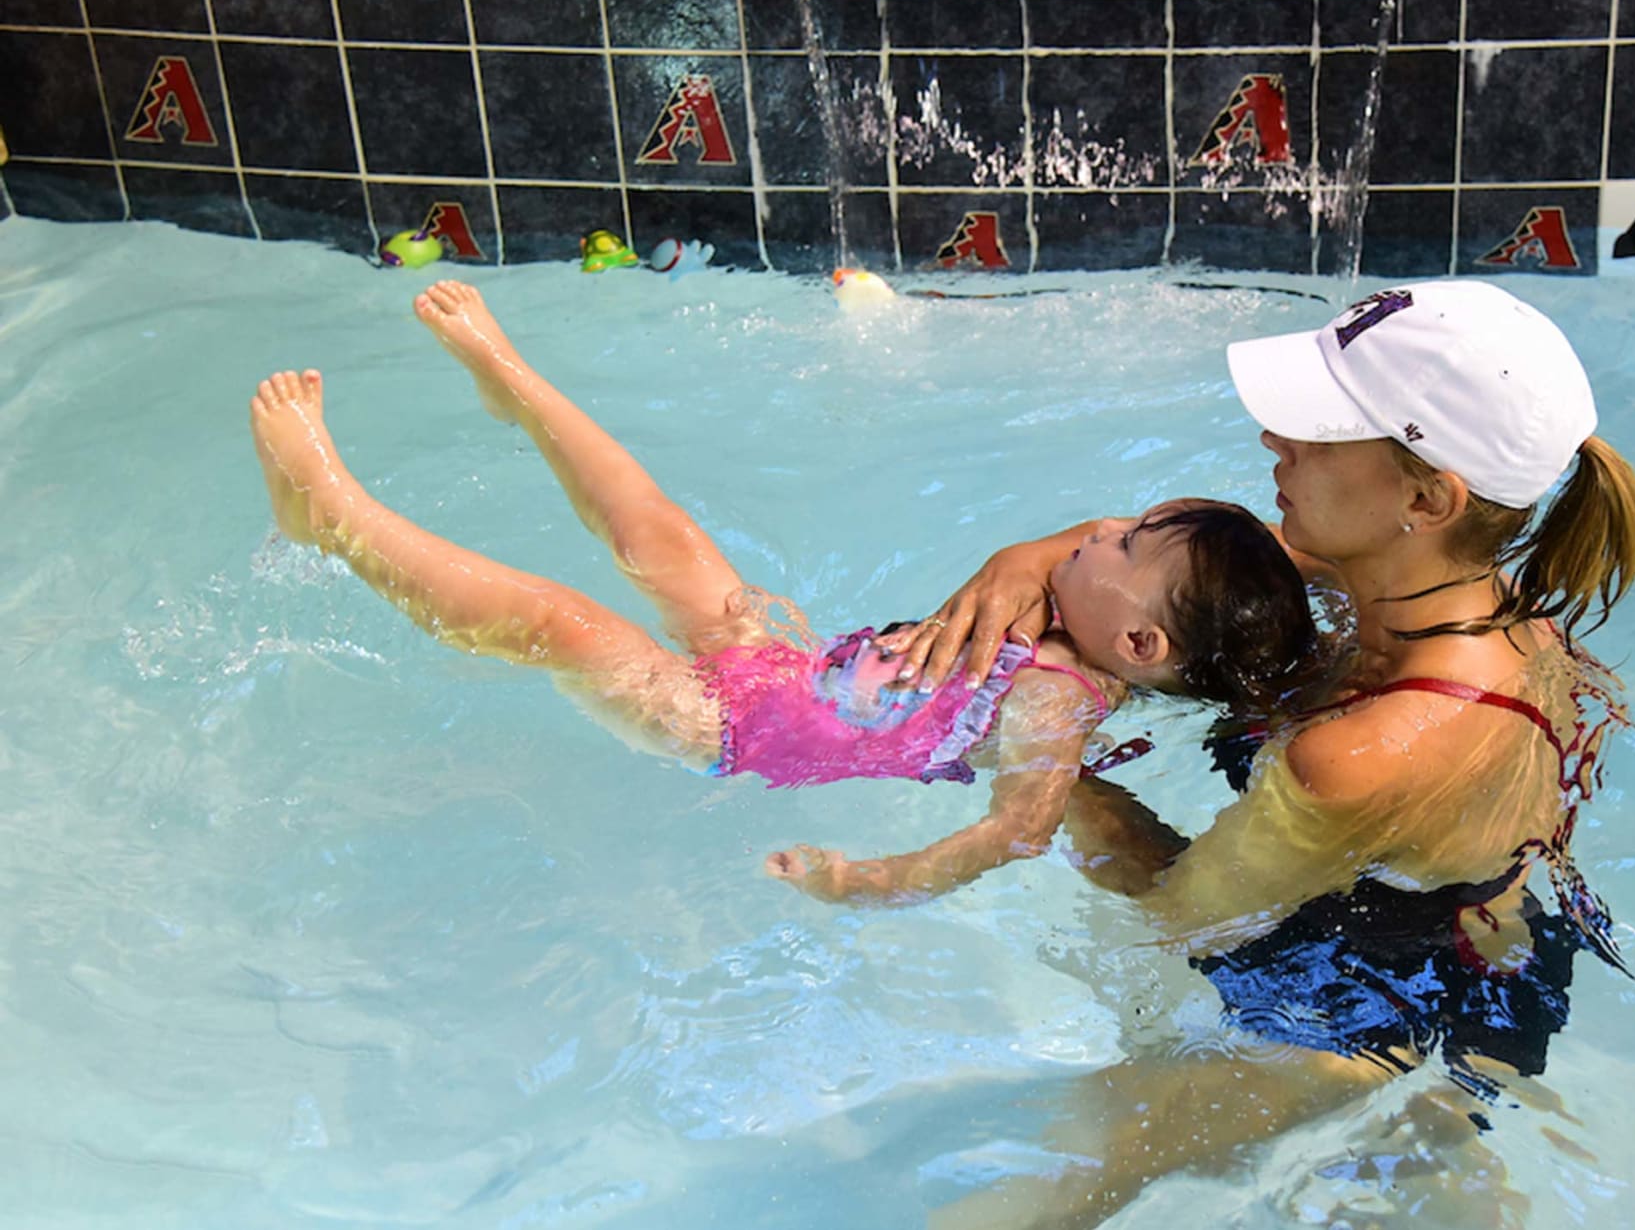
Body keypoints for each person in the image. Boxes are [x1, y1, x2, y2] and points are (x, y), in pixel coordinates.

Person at [886, 281, 1635, 1226]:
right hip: (1471, 926)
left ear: (1426, 497)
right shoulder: (1421, 582)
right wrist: (1026, 558)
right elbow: (1148, 561)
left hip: (1382, 1008)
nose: (1273, 441)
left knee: (1035, 1175)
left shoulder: (1364, 753)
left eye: (1319, 434)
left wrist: (1046, 748)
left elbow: (1179, 916)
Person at [247, 281, 1315, 905]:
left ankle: (331, 516)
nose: (1096, 530)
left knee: (556, 623)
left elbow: (1015, 832)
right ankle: (510, 382)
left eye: (1123, 542)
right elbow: (1089, 566)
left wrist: (861, 882)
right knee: (659, 530)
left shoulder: (1056, 704)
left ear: (1139, 642)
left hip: (727, 727)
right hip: (782, 669)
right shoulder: (1067, 616)